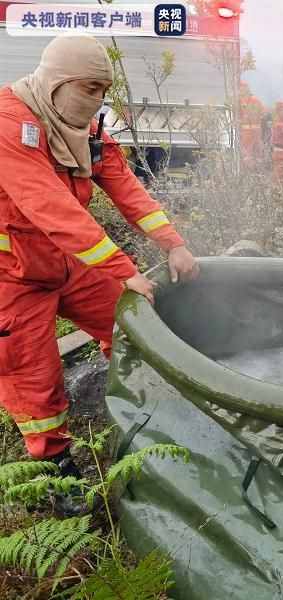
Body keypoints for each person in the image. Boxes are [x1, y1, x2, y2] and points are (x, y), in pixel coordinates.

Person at [0, 35, 199, 478]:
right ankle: (57, 471)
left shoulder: (83, 130)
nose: (96, 101)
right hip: (12, 276)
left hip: (66, 261)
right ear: (56, 83)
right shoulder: (10, 125)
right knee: (33, 377)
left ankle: (139, 413)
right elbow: (53, 208)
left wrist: (173, 242)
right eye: (88, 88)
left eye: (102, 91)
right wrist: (124, 269)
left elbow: (126, 186)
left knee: (127, 321)